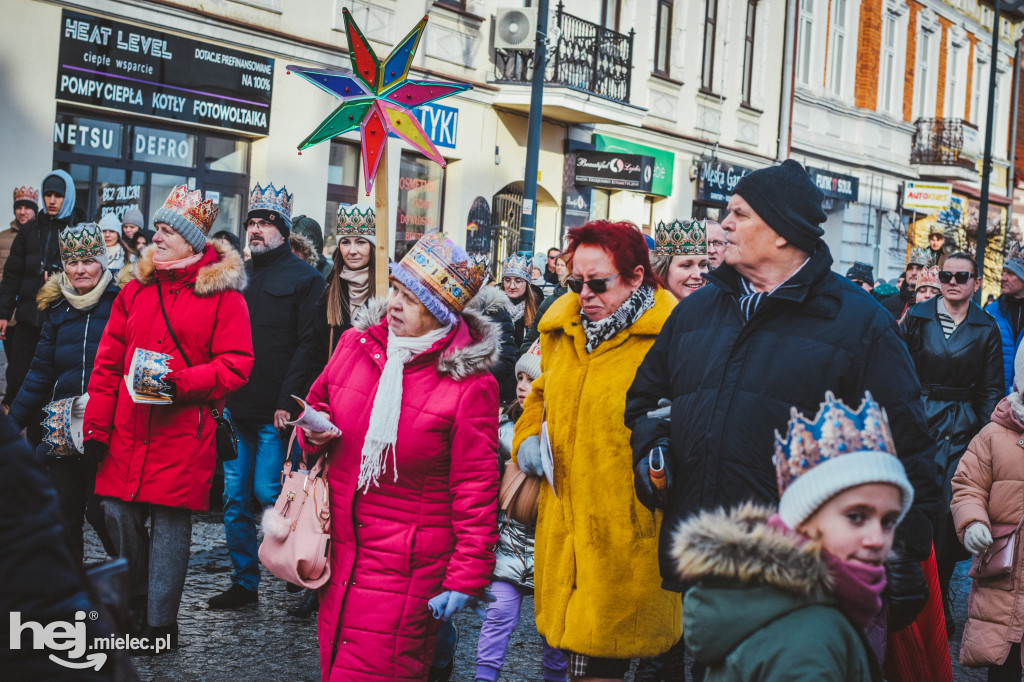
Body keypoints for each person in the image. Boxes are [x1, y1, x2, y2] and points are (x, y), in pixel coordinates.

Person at [626, 160, 942, 641]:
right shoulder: (695, 313)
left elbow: (907, 449)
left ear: (781, 232)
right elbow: (647, 402)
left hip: (806, 580)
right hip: (706, 563)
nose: (724, 225)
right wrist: (656, 452)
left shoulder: (860, 325)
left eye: (739, 214)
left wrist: (898, 559)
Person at [299, 232, 499, 681]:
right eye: (395, 290)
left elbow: (476, 489)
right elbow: (319, 403)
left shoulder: (470, 386)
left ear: (440, 312)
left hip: (409, 568)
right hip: (342, 555)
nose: (393, 304)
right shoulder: (356, 346)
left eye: (410, 298)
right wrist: (314, 431)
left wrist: (465, 575)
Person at [84, 185, 254, 650]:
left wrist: (179, 382)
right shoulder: (135, 289)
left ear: (191, 240)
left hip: (184, 429)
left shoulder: (224, 296)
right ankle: (137, 594)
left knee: (171, 524)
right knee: (115, 510)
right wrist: (96, 428)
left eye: (165, 231)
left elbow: (237, 363)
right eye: (156, 229)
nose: (155, 238)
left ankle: (160, 624)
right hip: (127, 426)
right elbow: (107, 366)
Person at [513, 220, 681, 681]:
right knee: (579, 664)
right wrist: (527, 439)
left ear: (636, 277)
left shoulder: (669, 337)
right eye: (574, 282)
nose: (583, 294)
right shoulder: (562, 330)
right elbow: (542, 392)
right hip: (565, 531)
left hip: (629, 540)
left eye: (597, 283)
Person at [676, 391, 913, 681]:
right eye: (856, 517)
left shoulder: (804, 606)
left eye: (888, 521)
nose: (877, 539)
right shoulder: (812, 641)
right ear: (803, 522)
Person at [209, 183, 327, 611]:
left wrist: (287, 401)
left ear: (282, 230)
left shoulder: (307, 279)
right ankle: (244, 582)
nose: (256, 231)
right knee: (235, 498)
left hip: (274, 412)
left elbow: (308, 346)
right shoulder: (236, 275)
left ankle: (296, 568)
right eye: (252, 224)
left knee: (269, 492)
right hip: (234, 408)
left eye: (265, 223)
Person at [900, 252, 1003, 637]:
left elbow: (992, 390)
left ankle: (939, 600)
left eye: (962, 276)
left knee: (947, 520)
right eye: (946, 275)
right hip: (918, 423)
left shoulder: (986, 327)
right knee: (912, 512)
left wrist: (986, 441)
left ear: (976, 282)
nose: (953, 281)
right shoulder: (918, 317)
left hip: (961, 432)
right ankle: (906, 595)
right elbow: (898, 371)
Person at [8, 222, 119, 563]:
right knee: (64, 515)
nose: (80, 269)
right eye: (72, 262)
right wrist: (11, 426)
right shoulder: (56, 311)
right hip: (63, 427)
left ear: (102, 261)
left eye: (88, 260)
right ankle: (73, 592)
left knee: (103, 514)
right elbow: (39, 372)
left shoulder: (122, 303)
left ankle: (132, 588)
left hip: (108, 428)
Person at [474, 339, 568, 682]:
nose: (524, 387)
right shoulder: (503, 430)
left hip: (551, 547)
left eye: (534, 381)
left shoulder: (568, 433)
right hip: (510, 541)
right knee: (498, 614)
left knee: (554, 629)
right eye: (521, 379)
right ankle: (484, 677)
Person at [951, 372, 1024, 680]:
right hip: (1005, 567)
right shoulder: (993, 435)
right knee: (1001, 656)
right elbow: (968, 485)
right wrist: (972, 522)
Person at [0, 170, 85, 417]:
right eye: (48, 194)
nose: (51, 200)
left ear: (67, 196)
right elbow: (12, 274)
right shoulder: (30, 230)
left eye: (58, 195)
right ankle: (12, 437)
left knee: (52, 380)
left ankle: (44, 431)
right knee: (17, 375)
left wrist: (62, 275)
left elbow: (91, 271)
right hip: (28, 317)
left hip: (61, 319)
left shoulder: (79, 227)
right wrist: (3, 313)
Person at [322, 203, 379, 354]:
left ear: (373, 248)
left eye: (361, 242)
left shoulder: (391, 290)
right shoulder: (330, 292)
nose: (352, 251)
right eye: (346, 242)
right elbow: (315, 351)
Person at [985, 241, 1024, 394]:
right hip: (995, 402)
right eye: (1004, 272)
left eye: (1011, 273)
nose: (1003, 278)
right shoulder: (990, 312)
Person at [650, 218, 709, 301]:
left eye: (703, 265)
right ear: (663, 268)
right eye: (686, 265)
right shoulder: (646, 311)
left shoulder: (715, 310)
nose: (698, 275)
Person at [501, 253, 539, 349]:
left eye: (518, 281)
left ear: (527, 283)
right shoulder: (492, 307)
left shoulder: (537, 308)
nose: (512, 286)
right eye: (507, 280)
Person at [883, 248, 928, 318]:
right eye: (910, 268)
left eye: (919, 269)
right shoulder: (888, 304)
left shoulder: (935, 304)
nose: (913, 273)